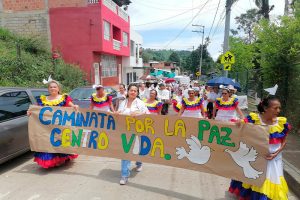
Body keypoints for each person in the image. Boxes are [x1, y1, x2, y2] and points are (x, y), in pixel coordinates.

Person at [229, 96, 291, 200]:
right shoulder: (254, 119)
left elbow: (284, 141)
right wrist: (239, 123)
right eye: (275, 108)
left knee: (270, 181)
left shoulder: (282, 124)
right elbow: (240, 127)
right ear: (266, 108)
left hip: (274, 160)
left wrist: (276, 153)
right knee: (255, 180)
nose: (278, 111)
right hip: (257, 159)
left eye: (279, 108)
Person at [31, 80, 78, 168]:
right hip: (47, 127)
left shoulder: (63, 98)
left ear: (58, 89)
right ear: (48, 89)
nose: (53, 88)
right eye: (51, 87)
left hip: (60, 126)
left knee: (59, 142)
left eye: (54, 87)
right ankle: (51, 161)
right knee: (48, 143)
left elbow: (71, 105)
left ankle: (61, 159)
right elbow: (36, 109)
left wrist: (75, 106)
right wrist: (30, 112)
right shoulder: (43, 99)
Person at [117, 84, 150, 185]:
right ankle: (124, 175)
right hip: (125, 131)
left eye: (135, 91)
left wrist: (138, 114)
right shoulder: (122, 102)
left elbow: (147, 115)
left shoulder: (140, 103)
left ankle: (139, 163)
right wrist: (117, 113)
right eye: (131, 90)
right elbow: (119, 112)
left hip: (137, 131)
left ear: (137, 93)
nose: (133, 92)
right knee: (126, 152)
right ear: (128, 91)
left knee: (137, 150)